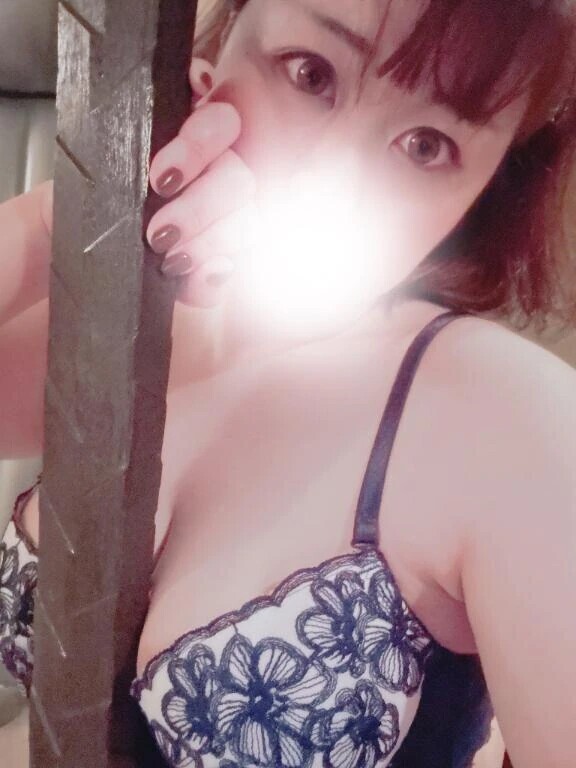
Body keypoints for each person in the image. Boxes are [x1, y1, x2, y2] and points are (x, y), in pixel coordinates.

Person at [1, 0, 575, 766]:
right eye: (309, 74)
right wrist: (59, 223)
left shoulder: (510, 416)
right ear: (208, 68)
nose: (333, 173)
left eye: (426, 145)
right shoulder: (111, 326)